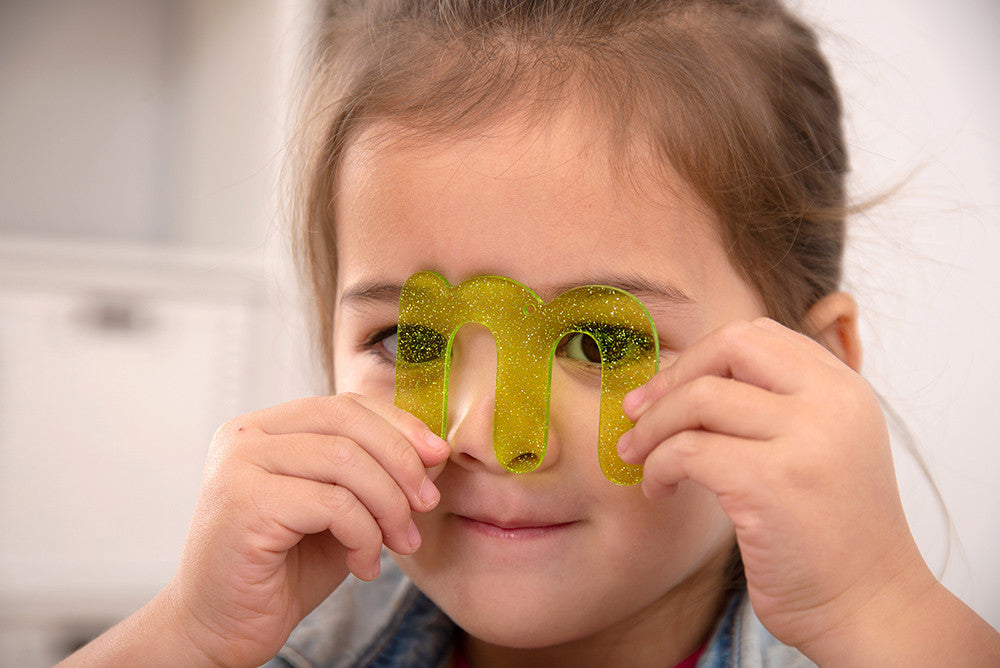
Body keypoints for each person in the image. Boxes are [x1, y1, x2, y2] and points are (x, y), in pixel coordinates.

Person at [61, 1, 1000, 666]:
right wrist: (188, 637)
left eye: (596, 344)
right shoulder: (279, 642)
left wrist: (878, 612)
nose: (483, 434)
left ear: (817, 370)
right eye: (413, 343)